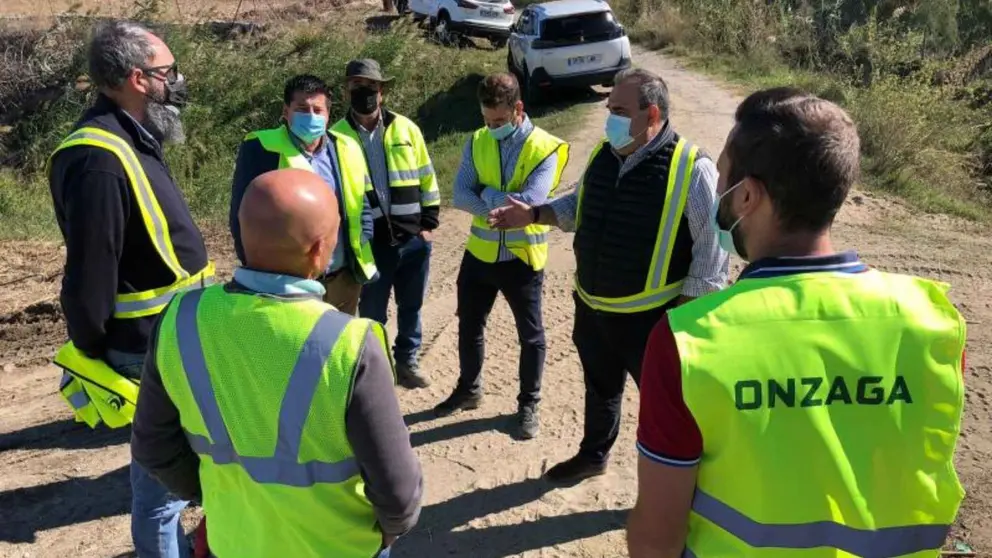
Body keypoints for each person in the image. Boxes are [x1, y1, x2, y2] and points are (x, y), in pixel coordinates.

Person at [627, 88, 967, 557]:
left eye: (722, 178)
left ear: (746, 195)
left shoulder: (688, 340)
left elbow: (657, 535)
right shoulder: (932, 321)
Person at [131, 168, 423, 558]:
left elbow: (152, 446)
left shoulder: (180, 319)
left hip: (233, 544)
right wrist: (386, 535)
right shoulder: (350, 344)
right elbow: (399, 494)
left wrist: (219, 498)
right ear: (320, 250)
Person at [489, 68, 728, 480]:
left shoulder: (692, 168)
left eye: (618, 109)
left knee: (669, 407)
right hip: (594, 311)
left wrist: (681, 325)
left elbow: (711, 258)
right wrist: (534, 213)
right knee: (600, 391)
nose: (609, 116)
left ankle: (681, 484)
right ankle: (594, 455)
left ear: (651, 114)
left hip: (652, 321)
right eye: (608, 106)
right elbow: (578, 207)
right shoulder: (603, 153)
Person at [46, 20, 215, 558]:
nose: (179, 80)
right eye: (169, 71)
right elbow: (91, 273)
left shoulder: (132, 136)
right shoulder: (98, 157)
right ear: (138, 79)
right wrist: (96, 352)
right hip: (146, 350)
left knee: (184, 474)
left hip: (175, 338)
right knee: (161, 489)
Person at [434, 73, 569, 440]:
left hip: (522, 257)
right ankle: (469, 390)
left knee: (531, 335)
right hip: (479, 254)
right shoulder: (477, 141)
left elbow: (530, 203)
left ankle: (529, 404)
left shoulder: (546, 148)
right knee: (469, 324)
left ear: (518, 109)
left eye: (498, 121)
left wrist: (488, 194)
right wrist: (498, 203)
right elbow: (460, 194)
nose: (490, 127)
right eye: (486, 120)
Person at [331, 58, 439, 390]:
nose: (364, 92)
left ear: (382, 90)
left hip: (412, 238)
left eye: (371, 86)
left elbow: (425, 173)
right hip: (369, 244)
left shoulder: (407, 128)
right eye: (356, 86)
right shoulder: (335, 136)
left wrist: (429, 222)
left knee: (412, 306)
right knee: (372, 312)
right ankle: (376, 371)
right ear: (347, 90)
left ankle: (407, 361)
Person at [229, 74, 377, 315]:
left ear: (329, 114)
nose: (311, 116)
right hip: (287, 285)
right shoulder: (261, 148)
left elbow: (362, 205)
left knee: (340, 346)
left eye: (318, 110)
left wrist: (360, 241)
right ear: (286, 111)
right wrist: (255, 271)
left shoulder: (347, 147)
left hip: (342, 279)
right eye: (302, 108)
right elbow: (241, 216)